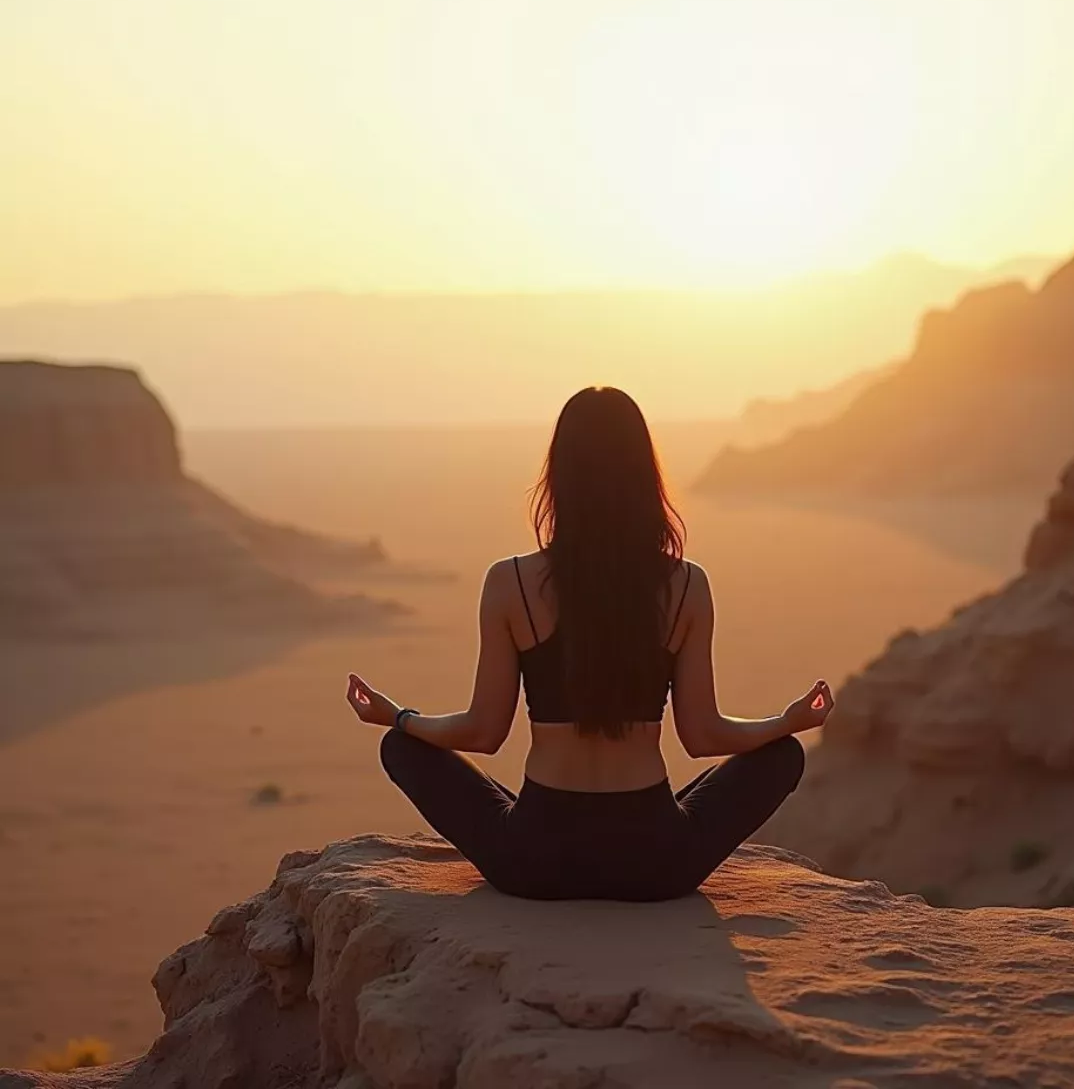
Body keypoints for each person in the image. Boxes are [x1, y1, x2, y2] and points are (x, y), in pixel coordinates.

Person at [346, 386, 832, 901]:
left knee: (402, 748)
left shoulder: (509, 582)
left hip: (534, 861)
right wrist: (787, 722)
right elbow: (703, 735)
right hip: (656, 864)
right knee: (783, 756)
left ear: (559, 476)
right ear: (645, 475)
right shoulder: (688, 585)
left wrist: (397, 716)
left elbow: (484, 731)